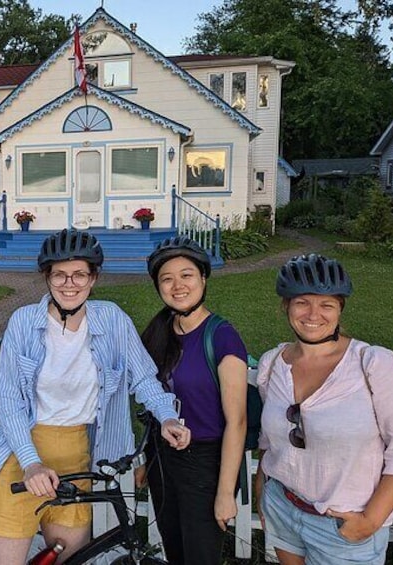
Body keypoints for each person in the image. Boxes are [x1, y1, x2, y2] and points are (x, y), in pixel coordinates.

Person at [0, 228, 191, 565]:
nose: (69, 283)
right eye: (59, 275)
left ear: (94, 278)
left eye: (79, 274)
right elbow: (9, 401)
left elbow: (144, 378)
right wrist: (31, 463)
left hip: (76, 452)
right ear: (46, 278)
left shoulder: (112, 319)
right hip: (20, 456)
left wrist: (166, 416)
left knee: (72, 558)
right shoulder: (23, 323)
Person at [255, 254, 393, 564]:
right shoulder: (273, 363)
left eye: (327, 305)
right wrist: (263, 495)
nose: (313, 314)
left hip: (343, 523)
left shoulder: (372, 364)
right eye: (302, 302)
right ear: (286, 306)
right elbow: (269, 441)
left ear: (340, 309)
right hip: (283, 505)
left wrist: (370, 522)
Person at [138, 236, 248, 565]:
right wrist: (144, 457)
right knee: (175, 550)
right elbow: (146, 397)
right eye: (167, 278)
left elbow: (237, 421)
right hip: (162, 455)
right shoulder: (159, 331)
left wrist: (225, 493)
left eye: (186, 275)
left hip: (204, 462)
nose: (177, 285)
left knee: (200, 555)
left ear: (203, 278)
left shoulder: (222, 336)